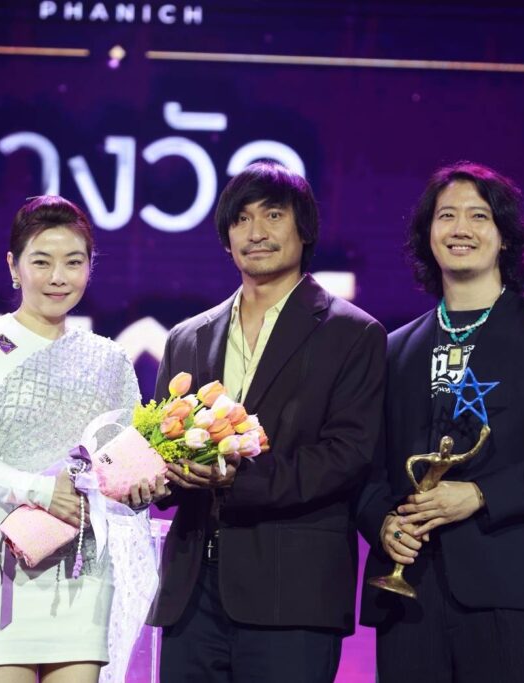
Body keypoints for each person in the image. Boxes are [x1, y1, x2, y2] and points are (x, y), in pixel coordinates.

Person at [357, 162, 524, 682]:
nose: (461, 229)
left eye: (479, 216)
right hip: (409, 590)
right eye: (446, 215)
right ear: (427, 235)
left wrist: (479, 495)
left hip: (511, 587)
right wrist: (382, 524)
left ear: (505, 237)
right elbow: (366, 467)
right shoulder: (392, 348)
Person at [148, 161, 387, 682]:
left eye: (273, 215)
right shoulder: (187, 337)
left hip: (292, 594)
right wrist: (159, 476)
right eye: (241, 219)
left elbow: (348, 454)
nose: (255, 232)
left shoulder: (353, 334)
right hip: (192, 593)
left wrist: (239, 480)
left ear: (304, 229)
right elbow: (164, 446)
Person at [0, 195, 166, 683]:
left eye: (74, 262)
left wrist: (141, 490)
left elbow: (126, 462)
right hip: (0, 553)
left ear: (90, 268)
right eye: (41, 262)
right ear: (14, 267)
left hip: (84, 564)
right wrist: (45, 492)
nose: (57, 277)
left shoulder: (109, 360)